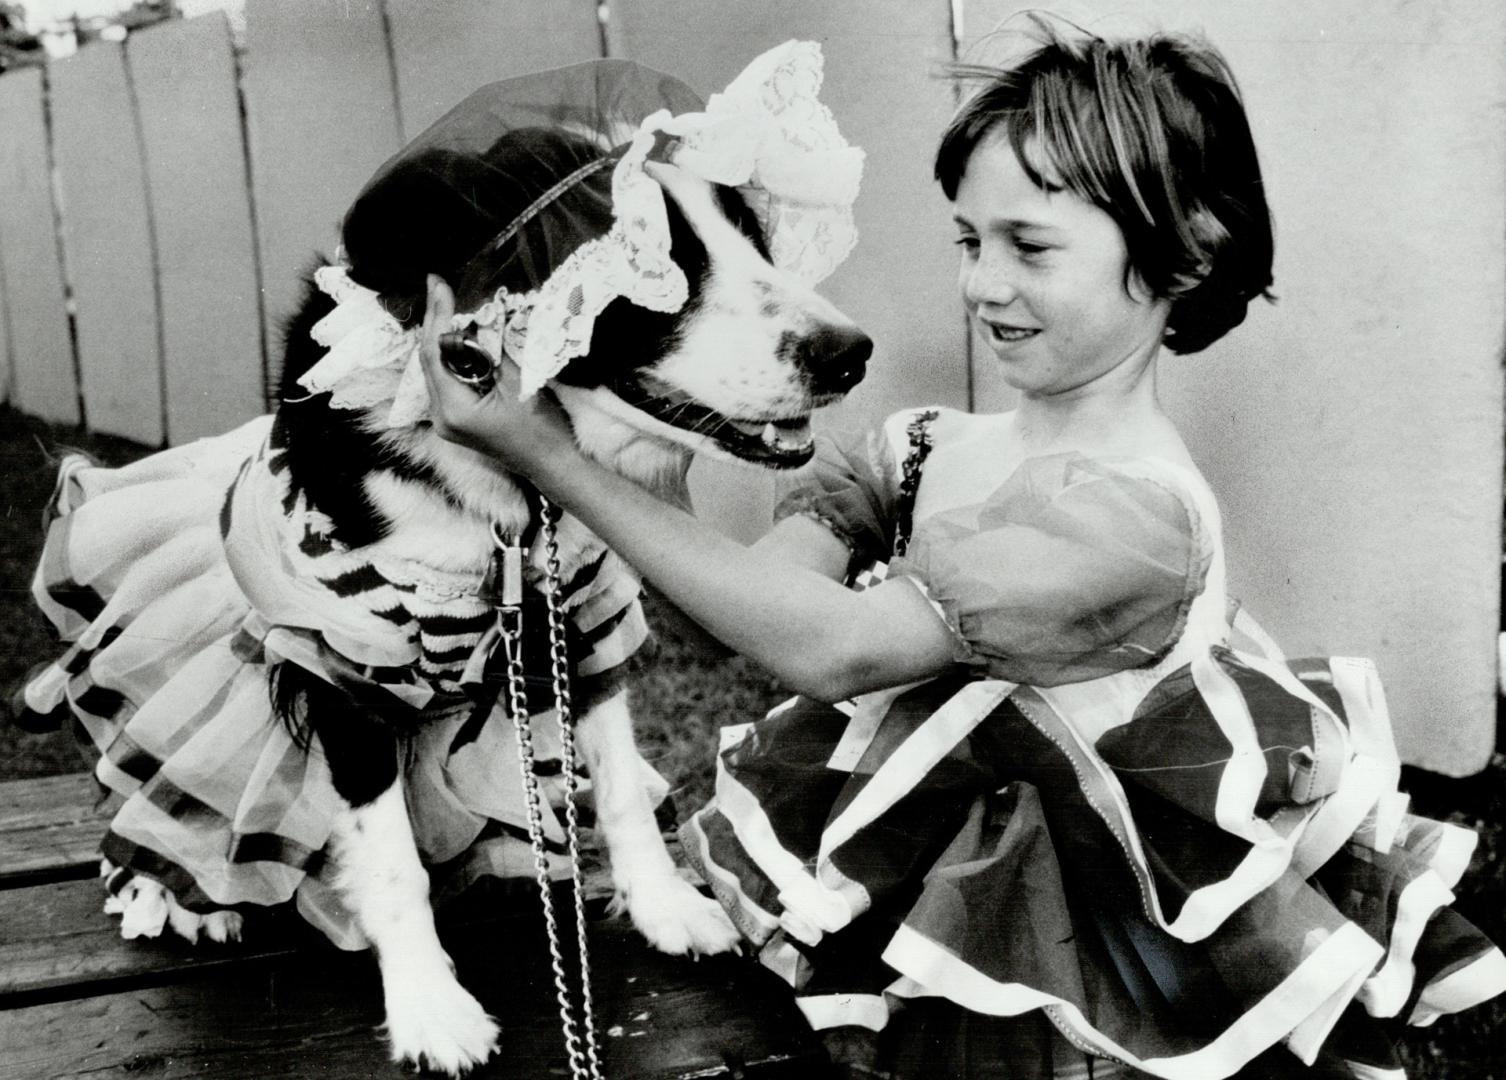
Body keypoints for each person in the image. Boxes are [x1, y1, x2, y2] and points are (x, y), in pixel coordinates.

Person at [418, 17, 1506, 1080]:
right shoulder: (928, 444)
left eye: (1030, 246)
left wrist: (553, 457)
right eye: (968, 239)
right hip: (944, 860)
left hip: (1085, 927)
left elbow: (834, 651)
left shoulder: (1137, 516)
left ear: (1189, 251)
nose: (983, 283)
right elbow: (750, 603)